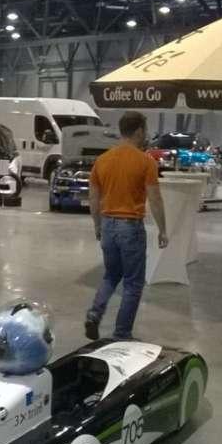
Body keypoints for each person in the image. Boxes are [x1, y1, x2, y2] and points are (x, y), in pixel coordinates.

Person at [85, 111, 168, 342]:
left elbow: (93, 198)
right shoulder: (145, 162)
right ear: (139, 131)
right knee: (133, 282)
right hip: (130, 227)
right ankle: (122, 333)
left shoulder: (102, 160)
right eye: (145, 130)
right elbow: (155, 198)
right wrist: (163, 229)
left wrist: (97, 225)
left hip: (108, 225)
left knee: (111, 275)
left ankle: (94, 313)